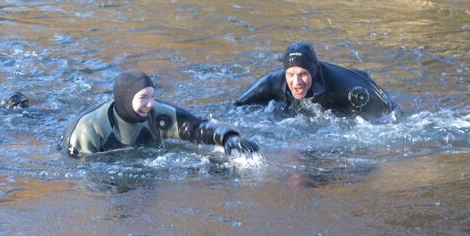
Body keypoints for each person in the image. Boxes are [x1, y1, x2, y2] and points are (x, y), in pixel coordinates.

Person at [61, 70, 259, 157]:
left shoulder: (156, 114)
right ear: (124, 99)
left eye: (152, 97)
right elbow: (81, 173)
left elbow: (196, 128)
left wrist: (227, 138)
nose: (150, 104)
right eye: (143, 98)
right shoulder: (89, 129)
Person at [234, 42, 396, 120]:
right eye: (290, 74)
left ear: (313, 71)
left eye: (303, 74)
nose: (296, 82)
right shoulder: (271, 82)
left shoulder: (349, 89)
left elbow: (390, 112)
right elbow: (236, 108)